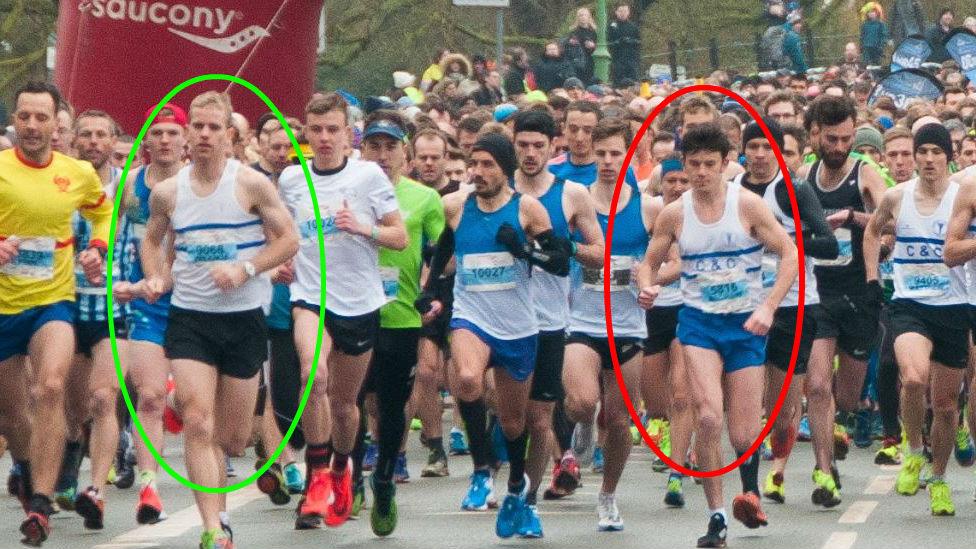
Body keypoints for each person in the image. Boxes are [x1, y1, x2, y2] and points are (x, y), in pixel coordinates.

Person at [140, 91, 299, 549]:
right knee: (198, 421)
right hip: (191, 318)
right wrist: (156, 276)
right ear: (188, 133)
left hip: (244, 318)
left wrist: (245, 269)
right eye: (198, 126)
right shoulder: (168, 193)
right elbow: (153, 242)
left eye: (213, 127)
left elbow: (288, 241)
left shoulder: (251, 185)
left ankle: (217, 502)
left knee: (231, 439)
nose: (204, 134)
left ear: (229, 135)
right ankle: (214, 527)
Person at [639, 122, 797, 548]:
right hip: (699, 327)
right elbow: (648, 262)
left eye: (711, 164)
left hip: (745, 326)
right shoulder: (675, 213)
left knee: (744, 434)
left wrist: (768, 305)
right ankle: (717, 516)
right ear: (683, 165)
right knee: (708, 414)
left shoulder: (747, 206)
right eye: (694, 165)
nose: (702, 173)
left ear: (727, 164)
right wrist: (648, 286)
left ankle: (750, 492)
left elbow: (789, 254)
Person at [416, 132, 571, 538]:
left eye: (488, 165)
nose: (479, 172)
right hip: (472, 316)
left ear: (506, 169)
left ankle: (518, 485)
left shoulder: (528, 210)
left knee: (515, 422)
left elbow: (559, 262)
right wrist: (430, 292)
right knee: (466, 378)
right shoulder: (456, 207)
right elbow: (444, 251)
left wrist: (523, 251)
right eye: (475, 164)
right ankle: (482, 470)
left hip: (518, 326)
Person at [278, 93, 408, 534]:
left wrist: (365, 227)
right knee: (312, 376)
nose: (325, 138)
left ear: (348, 134)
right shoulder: (292, 180)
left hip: (358, 301)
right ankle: (316, 479)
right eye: (316, 131)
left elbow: (400, 237)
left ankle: (340, 469)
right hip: (310, 295)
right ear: (307, 135)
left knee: (345, 405)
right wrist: (280, 261)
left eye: (333, 130)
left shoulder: (369, 176)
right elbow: (279, 234)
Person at [0, 81, 113, 547]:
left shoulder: (77, 173)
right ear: (14, 121)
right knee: (12, 420)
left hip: (52, 301)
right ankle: (29, 473)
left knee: (50, 386)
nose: (31, 125)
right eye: (24, 117)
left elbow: (102, 210)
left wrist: (96, 247)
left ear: (55, 124)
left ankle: (42, 503)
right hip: (3, 307)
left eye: (41, 117)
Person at [732, 119, 838, 505]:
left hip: (794, 306)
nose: (760, 155)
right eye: (753, 147)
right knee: (745, 403)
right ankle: (749, 489)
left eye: (767, 147)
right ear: (742, 151)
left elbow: (828, 245)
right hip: (742, 306)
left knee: (779, 413)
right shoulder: (732, 192)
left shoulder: (794, 189)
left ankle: (789, 458)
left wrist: (781, 238)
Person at [561, 118, 657, 533]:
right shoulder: (576, 201)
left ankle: (608, 496)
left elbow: (671, 259)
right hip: (581, 321)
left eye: (616, 153)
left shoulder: (648, 207)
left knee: (620, 421)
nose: (607, 161)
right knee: (583, 401)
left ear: (631, 155)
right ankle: (581, 425)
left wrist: (651, 280)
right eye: (600, 153)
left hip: (628, 328)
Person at [511, 110, 604, 536]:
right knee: (508, 414)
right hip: (501, 319)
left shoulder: (572, 194)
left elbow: (598, 253)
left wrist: (562, 246)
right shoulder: (496, 190)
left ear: (554, 147)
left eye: (538, 145)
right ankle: (510, 478)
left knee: (539, 416)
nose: (530, 153)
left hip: (551, 318)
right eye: (523, 145)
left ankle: (525, 497)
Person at [357, 110, 445, 536]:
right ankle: (350, 474)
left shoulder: (423, 199)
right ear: (361, 150)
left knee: (391, 406)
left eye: (390, 147)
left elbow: (438, 253)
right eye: (374, 146)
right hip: (352, 311)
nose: (382, 155)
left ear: (405, 154)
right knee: (348, 399)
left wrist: (428, 289)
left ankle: (384, 477)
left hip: (401, 314)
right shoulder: (346, 192)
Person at [874, 123, 968, 516]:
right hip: (909, 303)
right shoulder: (897, 197)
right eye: (922, 152)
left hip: (954, 306)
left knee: (945, 405)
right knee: (913, 377)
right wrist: (870, 274)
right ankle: (914, 450)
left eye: (936, 152)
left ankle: (940, 478)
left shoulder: (964, 198)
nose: (928, 159)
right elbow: (871, 230)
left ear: (949, 157)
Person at [799, 95, 886, 507]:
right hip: (818, 294)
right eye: (831, 139)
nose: (838, 148)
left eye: (846, 139)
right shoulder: (803, 176)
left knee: (846, 397)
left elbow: (894, 222)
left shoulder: (864, 175)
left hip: (857, 294)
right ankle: (824, 471)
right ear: (815, 134)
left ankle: (838, 419)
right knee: (816, 384)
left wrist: (852, 218)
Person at [113, 103, 188, 527]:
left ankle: (180, 396)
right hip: (147, 299)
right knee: (147, 396)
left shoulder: (200, 185)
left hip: (195, 302)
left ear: (185, 140)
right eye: (156, 133)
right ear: (146, 141)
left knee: (194, 404)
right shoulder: (129, 187)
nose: (163, 140)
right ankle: (149, 487)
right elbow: (111, 235)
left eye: (171, 133)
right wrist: (115, 277)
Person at [64, 110, 131, 531]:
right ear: (74, 140)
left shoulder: (130, 187)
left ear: (114, 140)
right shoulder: (60, 183)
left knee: (105, 399)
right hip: (66, 304)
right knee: (70, 405)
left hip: (114, 306)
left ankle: (96, 492)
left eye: (101, 135)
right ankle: (71, 453)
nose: (92, 141)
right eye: (85, 134)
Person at [638, 154, 694, 504]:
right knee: (656, 400)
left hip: (686, 308)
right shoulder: (648, 214)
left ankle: (679, 468)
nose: (676, 187)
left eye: (683, 181)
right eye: (671, 180)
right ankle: (674, 438)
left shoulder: (699, 213)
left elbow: (681, 262)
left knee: (681, 393)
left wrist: (653, 279)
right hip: (649, 312)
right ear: (660, 185)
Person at [607, 3, 641, 87]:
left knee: (633, 83)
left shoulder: (633, 26)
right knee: (618, 83)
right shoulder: (611, 26)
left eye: (625, 11)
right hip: (617, 60)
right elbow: (607, 43)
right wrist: (618, 42)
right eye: (620, 11)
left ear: (628, 12)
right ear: (616, 12)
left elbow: (639, 42)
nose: (623, 13)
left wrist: (631, 41)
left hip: (631, 60)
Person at [564, 8, 598, 84]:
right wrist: (571, 43)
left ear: (589, 17)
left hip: (590, 60)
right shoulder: (573, 31)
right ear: (577, 18)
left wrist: (593, 46)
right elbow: (566, 46)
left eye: (585, 15)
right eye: (581, 15)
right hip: (577, 61)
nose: (583, 17)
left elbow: (600, 46)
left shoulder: (594, 31)